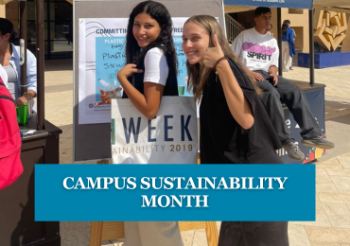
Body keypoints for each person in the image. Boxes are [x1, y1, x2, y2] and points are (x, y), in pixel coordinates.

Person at [182, 15, 289, 246]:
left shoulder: (225, 68)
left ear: (213, 39)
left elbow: (246, 120)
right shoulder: (210, 74)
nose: (187, 45)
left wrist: (221, 63)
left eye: (194, 38)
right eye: (184, 39)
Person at [115, 1, 182, 246]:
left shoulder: (154, 54)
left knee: (156, 226)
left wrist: (122, 80)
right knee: (140, 224)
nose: (140, 31)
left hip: (153, 156)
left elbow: (150, 109)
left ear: (162, 27)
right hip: (150, 152)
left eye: (148, 26)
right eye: (136, 24)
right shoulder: (152, 53)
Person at [231, 7, 334, 161]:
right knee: (271, 93)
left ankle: (312, 135)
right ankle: (286, 141)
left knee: (295, 91)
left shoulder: (272, 40)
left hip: (267, 74)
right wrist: (249, 73)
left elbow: (273, 63)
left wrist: (273, 71)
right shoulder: (244, 36)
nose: (268, 20)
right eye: (265, 17)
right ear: (256, 19)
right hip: (248, 74)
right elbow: (233, 61)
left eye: (269, 17)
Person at [0, 18, 37, 111]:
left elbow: (35, 81)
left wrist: (27, 95)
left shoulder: (24, 54)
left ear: (6, 36)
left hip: (20, 110)